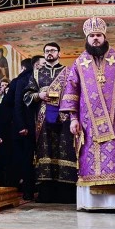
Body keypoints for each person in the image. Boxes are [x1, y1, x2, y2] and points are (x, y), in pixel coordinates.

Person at [60, 17, 115, 211]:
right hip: (87, 124)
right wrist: (73, 118)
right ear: (87, 38)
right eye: (92, 36)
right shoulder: (79, 63)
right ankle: (91, 204)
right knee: (89, 161)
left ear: (105, 36)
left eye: (98, 35)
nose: (95, 39)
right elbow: (71, 91)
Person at [24, 43, 77, 203]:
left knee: (65, 150)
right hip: (43, 118)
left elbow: (75, 91)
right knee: (45, 151)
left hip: (64, 117)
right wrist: (39, 95)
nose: (49, 53)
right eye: (47, 51)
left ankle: (66, 193)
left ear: (59, 53)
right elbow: (27, 95)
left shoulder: (67, 71)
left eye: (53, 51)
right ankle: (46, 193)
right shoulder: (36, 72)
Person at [0, 58, 34, 198]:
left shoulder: (21, 79)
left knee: (21, 158)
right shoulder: (22, 80)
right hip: (18, 126)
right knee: (23, 158)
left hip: (16, 126)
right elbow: (17, 104)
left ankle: (20, 188)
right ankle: (23, 189)